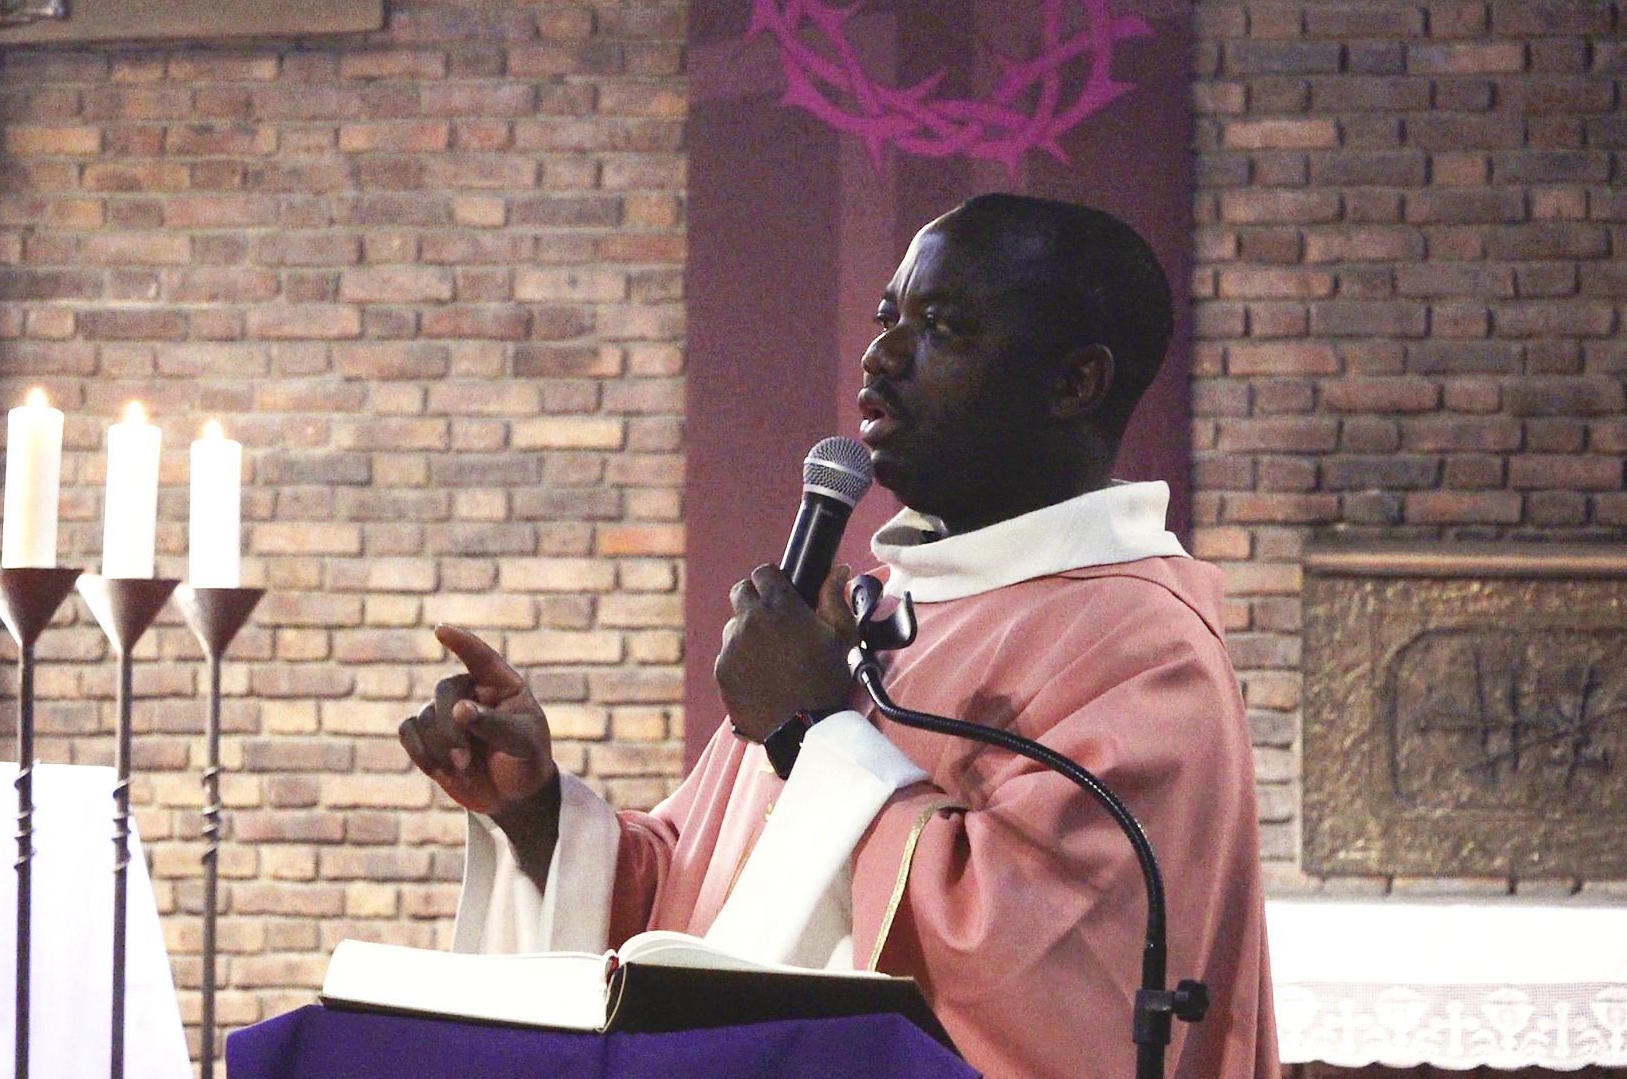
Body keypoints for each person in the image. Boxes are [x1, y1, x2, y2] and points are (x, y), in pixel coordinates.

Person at [398, 193, 1278, 1078]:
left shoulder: (1142, 649)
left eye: (941, 328)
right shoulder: (870, 613)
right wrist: (537, 810)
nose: (881, 356)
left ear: (1073, 383)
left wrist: (809, 733)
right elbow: (697, 895)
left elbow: (1051, 981)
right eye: (888, 319)